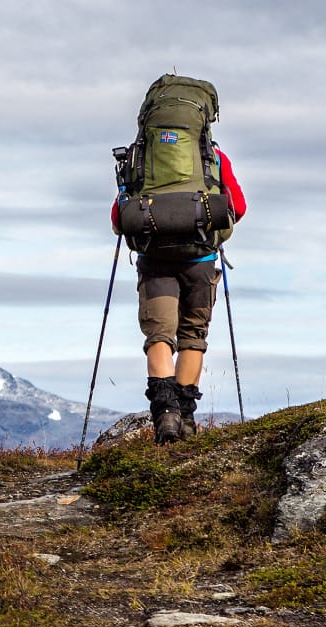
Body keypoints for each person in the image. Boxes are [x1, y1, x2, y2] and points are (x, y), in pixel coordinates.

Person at [112, 146, 246, 444]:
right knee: (193, 336)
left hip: (155, 260)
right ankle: (185, 419)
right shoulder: (214, 157)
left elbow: (119, 216)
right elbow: (238, 206)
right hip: (200, 261)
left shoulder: (141, 155)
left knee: (159, 336)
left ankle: (166, 415)